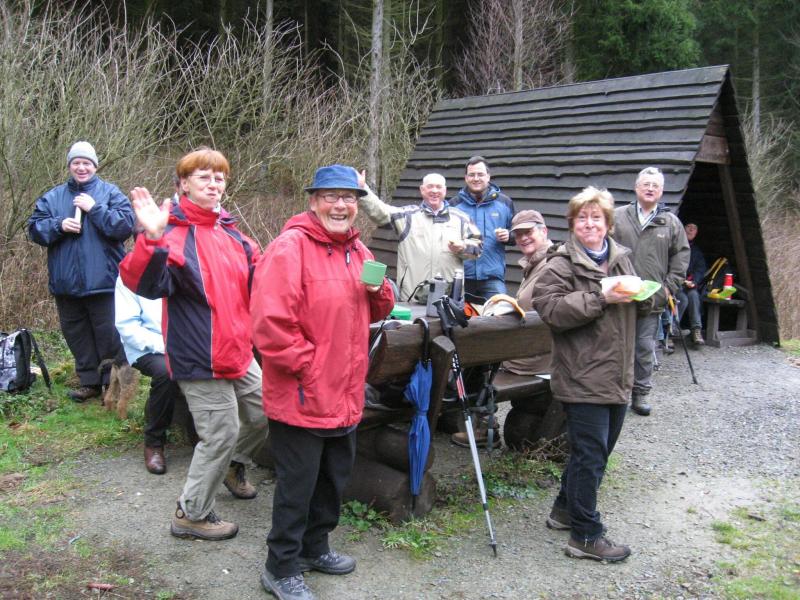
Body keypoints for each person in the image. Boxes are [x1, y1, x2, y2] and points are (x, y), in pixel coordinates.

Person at [251, 164, 394, 600]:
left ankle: (315, 548)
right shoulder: (289, 248)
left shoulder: (358, 250)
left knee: (333, 479)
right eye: (331, 196)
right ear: (314, 201)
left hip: (345, 392)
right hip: (303, 393)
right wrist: (309, 369)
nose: (340, 205)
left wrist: (379, 291)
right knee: (297, 486)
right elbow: (270, 326)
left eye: (349, 198)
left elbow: (378, 309)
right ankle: (280, 567)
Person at [120, 148, 268, 541]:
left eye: (219, 177)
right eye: (203, 176)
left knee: (266, 412)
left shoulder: (233, 234)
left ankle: (230, 465)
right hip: (199, 356)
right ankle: (192, 514)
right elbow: (144, 284)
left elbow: (262, 284)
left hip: (238, 351)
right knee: (219, 434)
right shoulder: (171, 234)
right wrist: (151, 238)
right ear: (183, 184)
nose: (213, 183)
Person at [532, 186, 637, 563]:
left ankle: (564, 510)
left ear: (608, 223)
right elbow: (550, 309)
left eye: (596, 217)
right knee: (590, 457)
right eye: (582, 218)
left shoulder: (621, 259)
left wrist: (649, 295)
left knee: (596, 453)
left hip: (618, 374)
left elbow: (637, 303)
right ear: (572, 223)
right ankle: (586, 535)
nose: (590, 224)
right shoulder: (561, 265)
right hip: (582, 376)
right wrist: (601, 298)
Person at [28, 141, 135, 402]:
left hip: (104, 282)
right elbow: (34, 229)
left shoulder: (110, 193)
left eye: (86, 163)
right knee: (77, 335)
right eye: (76, 162)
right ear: (69, 166)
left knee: (109, 335)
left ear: (95, 166)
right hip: (66, 284)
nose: (81, 167)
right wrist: (58, 225)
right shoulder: (53, 197)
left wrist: (95, 209)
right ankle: (89, 383)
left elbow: (125, 226)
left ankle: (112, 386)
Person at [450, 209, 553, 449]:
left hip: (534, 358)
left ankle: (484, 425)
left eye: (528, 232)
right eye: (519, 234)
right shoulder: (537, 263)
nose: (523, 238)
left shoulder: (550, 266)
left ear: (544, 231)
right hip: (533, 350)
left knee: (472, 354)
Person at [613, 167, 689, 416]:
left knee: (644, 348)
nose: (650, 188)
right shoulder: (617, 216)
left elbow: (681, 258)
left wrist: (668, 288)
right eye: (645, 184)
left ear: (662, 191)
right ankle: (615, 394)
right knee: (616, 346)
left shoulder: (670, 222)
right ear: (636, 187)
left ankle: (641, 393)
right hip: (619, 296)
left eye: (655, 185)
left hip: (651, 299)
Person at [114, 275, 197, 474]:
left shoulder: (187, 267)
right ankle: (154, 442)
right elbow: (128, 326)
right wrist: (167, 346)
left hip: (187, 342)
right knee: (166, 372)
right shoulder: (129, 276)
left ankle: (201, 435)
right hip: (147, 347)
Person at [358, 172, 482, 302]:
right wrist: (363, 188)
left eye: (438, 187)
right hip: (412, 296)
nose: (434, 191)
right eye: (430, 186)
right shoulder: (407, 216)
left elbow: (478, 246)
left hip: (449, 299)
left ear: (445, 190)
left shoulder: (461, 218)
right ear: (422, 190)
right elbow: (381, 211)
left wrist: (463, 247)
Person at [449, 156, 515, 298]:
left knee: (500, 311)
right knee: (459, 313)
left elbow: (517, 234)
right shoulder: (454, 205)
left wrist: (509, 236)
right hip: (462, 276)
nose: (476, 178)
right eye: (472, 175)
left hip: (492, 277)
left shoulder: (505, 203)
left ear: (488, 176)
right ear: (466, 178)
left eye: (480, 174)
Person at [676, 222, 707, 346]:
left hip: (689, 285)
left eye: (694, 228)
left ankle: (696, 331)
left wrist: (694, 281)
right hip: (675, 284)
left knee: (694, 296)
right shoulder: (675, 246)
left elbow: (700, 269)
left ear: (696, 232)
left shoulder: (696, 251)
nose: (691, 230)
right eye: (689, 227)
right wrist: (680, 280)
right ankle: (671, 330)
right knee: (682, 299)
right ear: (683, 229)